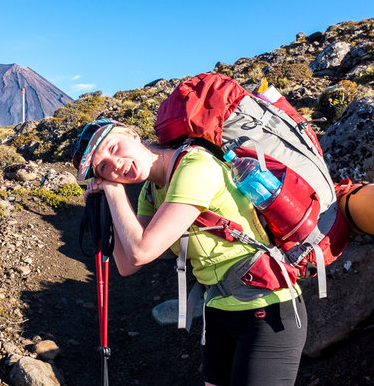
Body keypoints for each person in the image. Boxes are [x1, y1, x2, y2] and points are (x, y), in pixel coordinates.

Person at [72, 118, 307, 386]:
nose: (115, 165)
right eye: (104, 168)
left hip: (267, 310)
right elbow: (127, 266)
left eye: (114, 148)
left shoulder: (195, 166)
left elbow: (140, 251)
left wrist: (113, 193)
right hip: (219, 311)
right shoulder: (151, 191)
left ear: (132, 133)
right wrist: (107, 211)